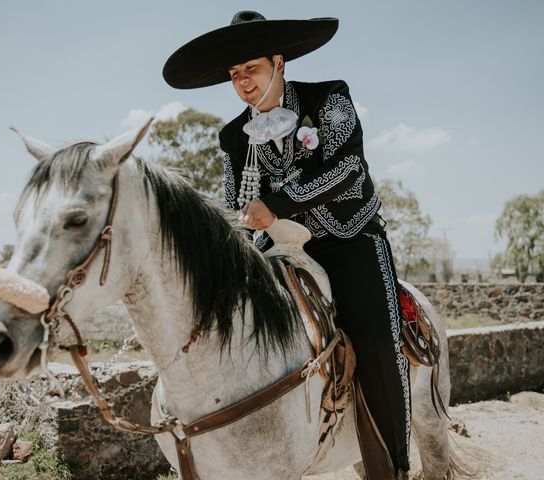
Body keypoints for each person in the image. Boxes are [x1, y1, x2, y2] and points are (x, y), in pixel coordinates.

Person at [163, 11, 410, 478]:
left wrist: (276, 204)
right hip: (277, 251)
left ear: (278, 62)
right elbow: (235, 199)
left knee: (378, 342)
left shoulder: (329, 98)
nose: (242, 82)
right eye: (234, 75)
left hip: (349, 236)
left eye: (250, 69)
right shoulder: (234, 136)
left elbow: (348, 168)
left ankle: (392, 468)